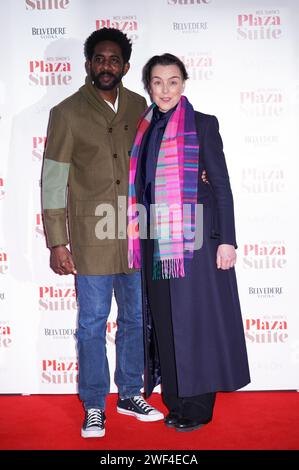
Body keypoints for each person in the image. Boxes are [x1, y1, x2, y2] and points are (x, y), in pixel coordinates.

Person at [41, 28, 164, 439]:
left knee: (135, 319)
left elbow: (152, 167)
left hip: (134, 233)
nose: (106, 66)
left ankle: (130, 393)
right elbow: (54, 182)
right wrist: (58, 242)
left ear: (125, 66)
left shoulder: (139, 106)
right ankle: (95, 404)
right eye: (99, 59)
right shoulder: (67, 112)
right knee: (92, 323)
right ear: (88, 64)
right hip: (92, 239)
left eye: (114, 60)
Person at [128, 53, 251, 432]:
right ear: (148, 85)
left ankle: (198, 406)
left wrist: (227, 241)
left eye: (173, 81)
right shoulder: (144, 128)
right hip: (155, 239)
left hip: (195, 240)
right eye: (158, 82)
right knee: (166, 322)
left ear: (184, 84)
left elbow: (223, 186)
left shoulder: (202, 124)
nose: (165, 89)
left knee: (195, 322)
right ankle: (176, 400)